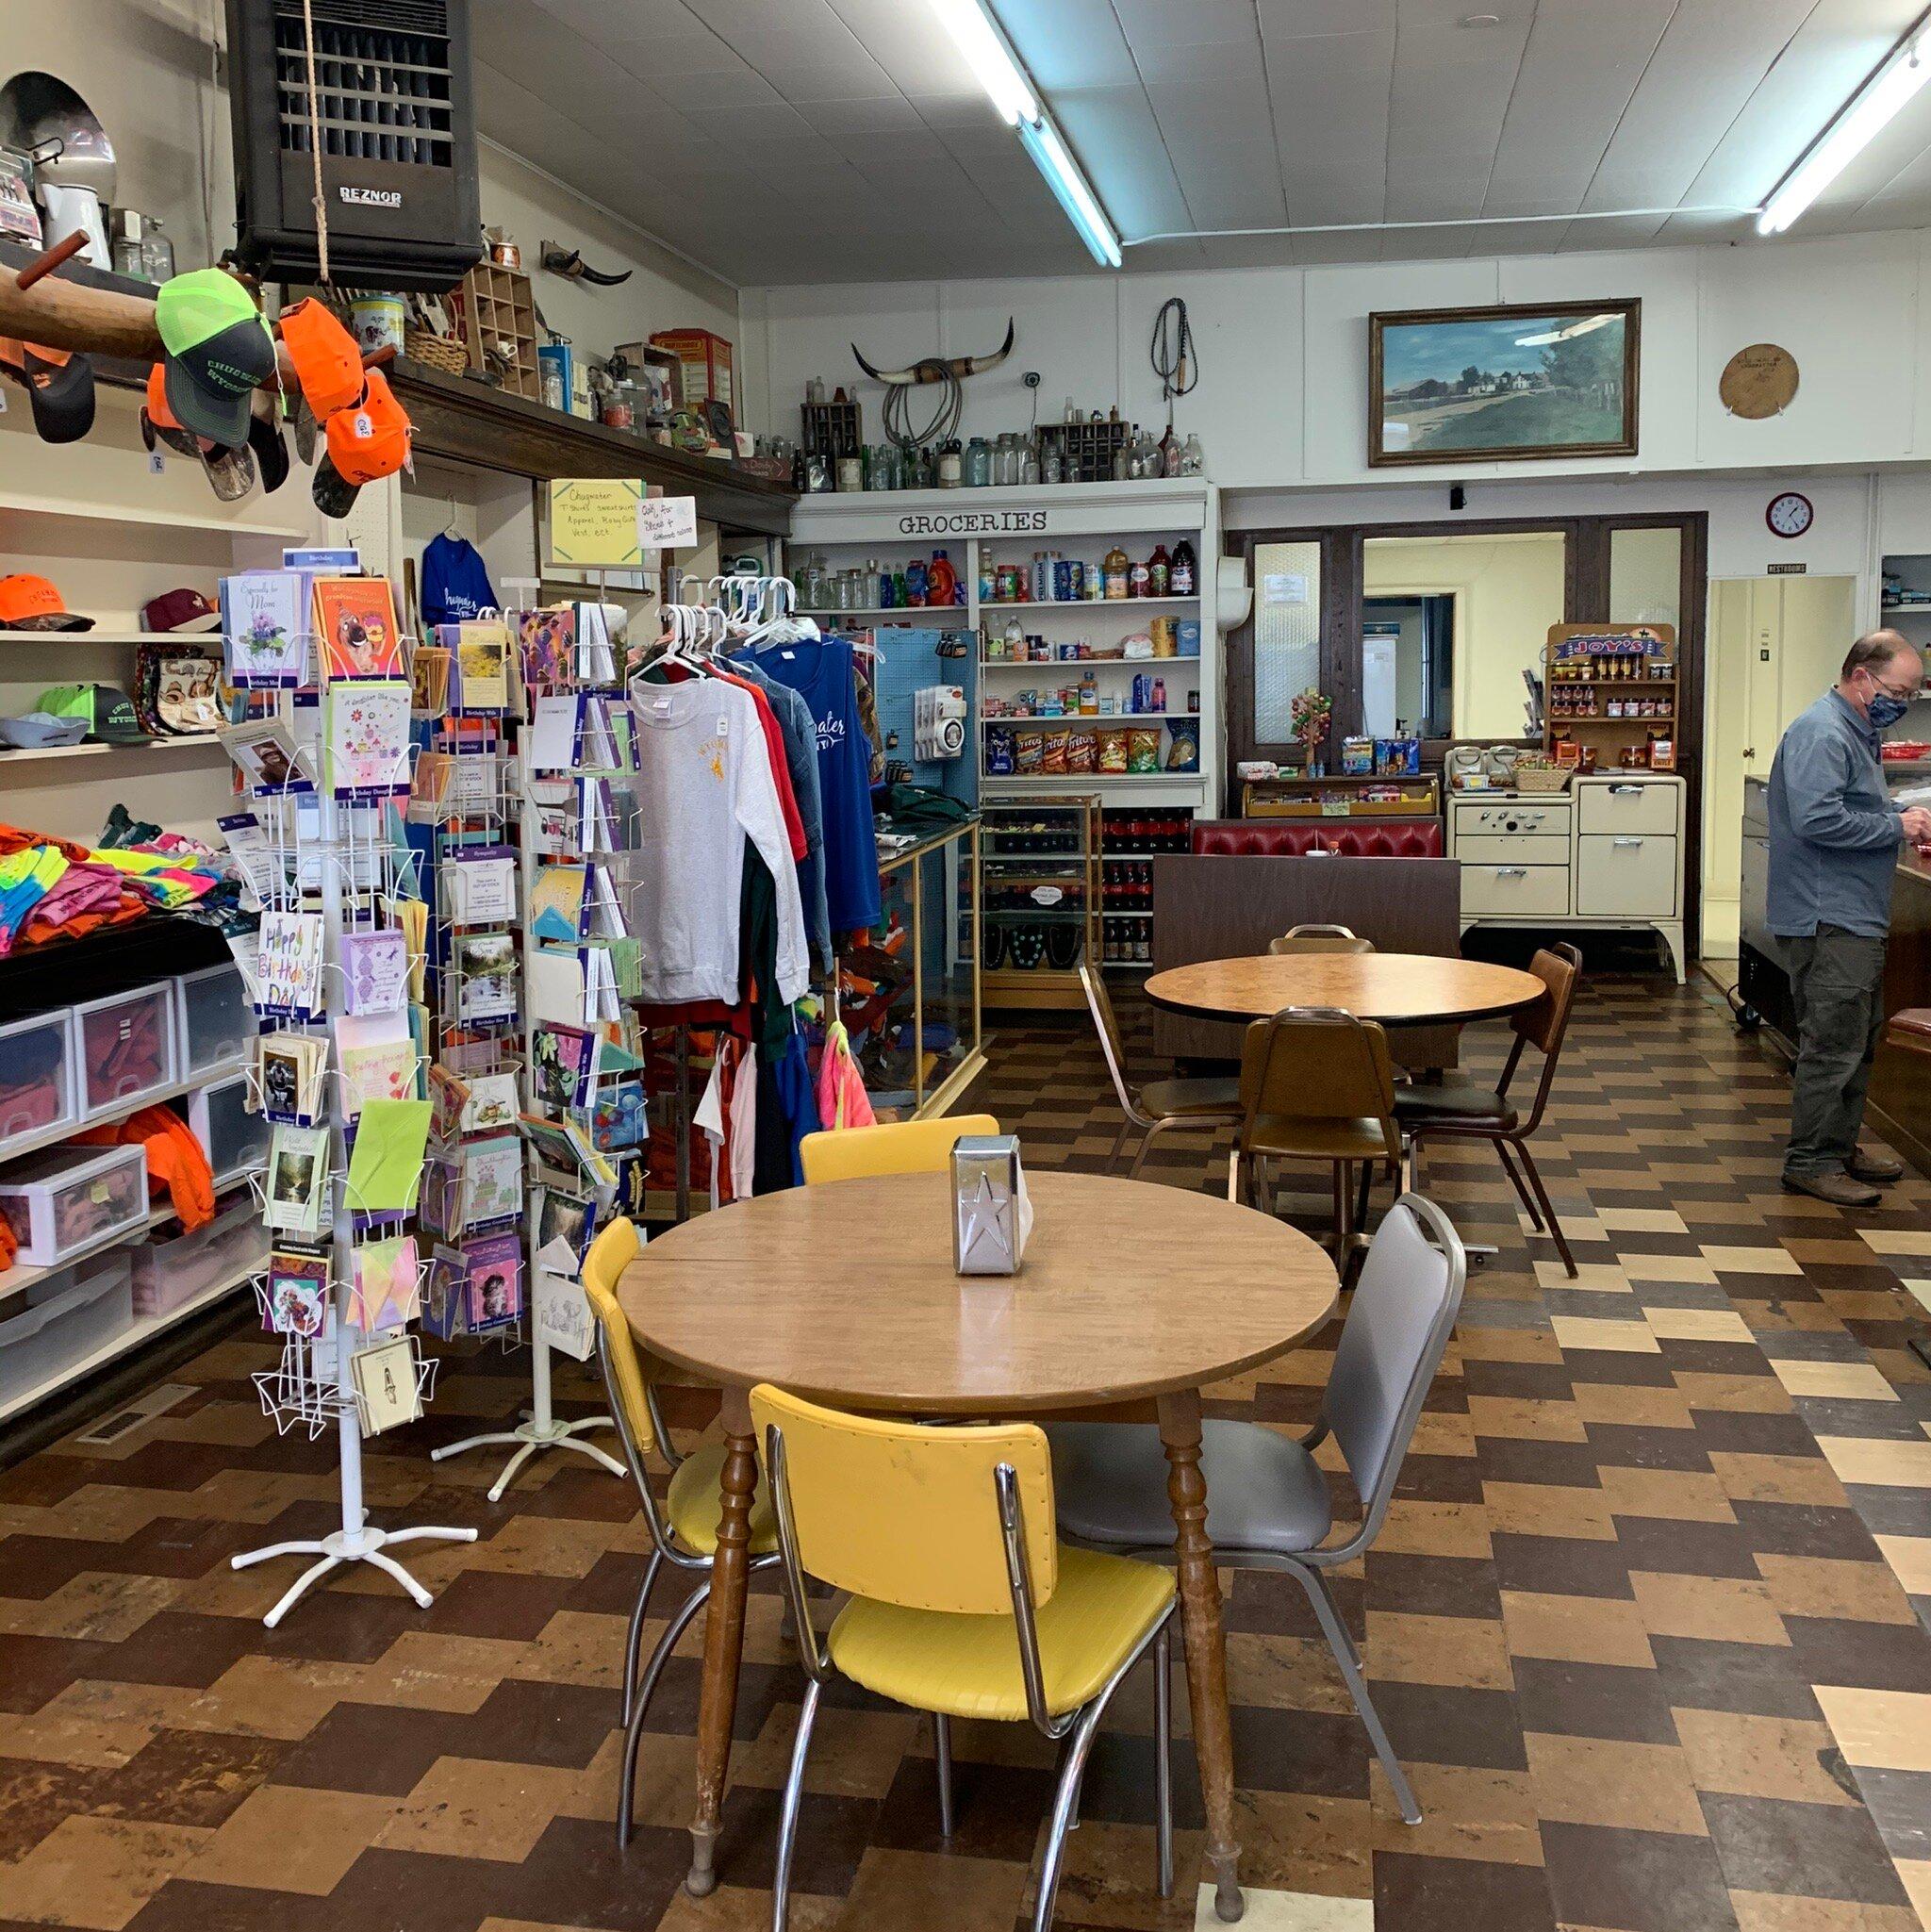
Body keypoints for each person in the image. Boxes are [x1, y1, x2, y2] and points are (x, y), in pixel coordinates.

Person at [1767, 629, 1931, 1204]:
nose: (1902, 703)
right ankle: (1809, 1161)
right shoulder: (1822, 731)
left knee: (1859, 1036)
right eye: (1899, 690)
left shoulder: (1857, 730)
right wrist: (1896, 826)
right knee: (1832, 1042)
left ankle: (1837, 1146)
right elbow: (1818, 821)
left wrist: (1893, 811)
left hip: (1854, 910)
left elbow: (1851, 805)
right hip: (1827, 914)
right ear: (1861, 675)